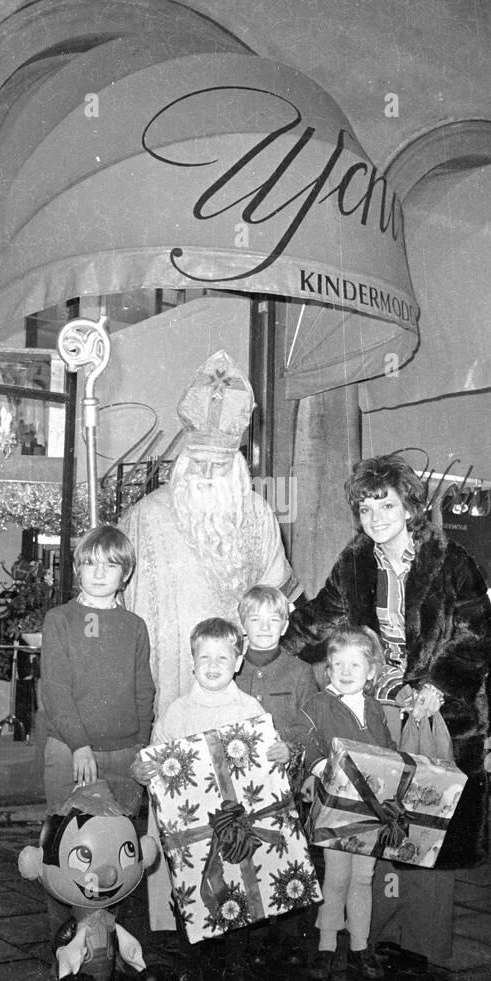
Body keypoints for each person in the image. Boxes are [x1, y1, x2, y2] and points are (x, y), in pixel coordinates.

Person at [283, 454, 491, 964]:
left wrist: (439, 685)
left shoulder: (451, 561)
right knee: (379, 824)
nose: (375, 517)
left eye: (386, 504)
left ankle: (423, 946)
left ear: (410, 507)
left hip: (437, 711)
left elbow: (477, 631)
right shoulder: (355, 563)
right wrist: (261, 641)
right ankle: (377, 938)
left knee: (429, 822)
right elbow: (319, 621)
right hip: (378, 710)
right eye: (364, 507)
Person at [120, 349, 303, 930]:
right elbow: (118, 607)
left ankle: (242, 918)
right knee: (175, 808)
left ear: (239, 466)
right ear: (181, 460)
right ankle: (170, 925)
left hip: (238, 695)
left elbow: (278, 601)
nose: (206, 472)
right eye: (196, 460)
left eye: (219, 464)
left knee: (234, 812)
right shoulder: (146, 517)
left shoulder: (256, 517)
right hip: (172, 686)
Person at [133, 617, 266, 981]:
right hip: (189, 826)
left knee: (240, 887)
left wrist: (277, 754)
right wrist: (142, 770)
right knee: (191, 892)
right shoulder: (178, 711)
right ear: (192, 662)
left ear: (238, 661)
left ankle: (236, 963)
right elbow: (153, 758)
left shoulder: (250, 707)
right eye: (204, 657)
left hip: (235, 822)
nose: (212, 665)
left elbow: (263, 762)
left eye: (222, 657)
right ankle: (193, 967)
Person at [40, 524, 155, 817]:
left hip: (124, 755)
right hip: (70, 751)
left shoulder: (134, 626)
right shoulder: (60, 620)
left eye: (111, 564)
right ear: (78, 569)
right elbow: (55, 691)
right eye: (91, 563)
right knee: (69, 847)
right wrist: (79, 746)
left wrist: (141, 748)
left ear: (125, 573)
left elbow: (143, 691)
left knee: (120, 851)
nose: (100, 573)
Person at [299, 627, 394, 981]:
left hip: (369, 809)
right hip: (335, 806)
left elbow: (386, 751)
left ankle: (359, 946)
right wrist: (320, 765)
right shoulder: (319, 705)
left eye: (355, 665)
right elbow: (306, 742)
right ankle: (326, 947)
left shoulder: (375, 707)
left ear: (371, 671)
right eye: (338, 664)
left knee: (363, 877)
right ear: (328, 668)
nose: (346, 671)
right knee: (337, 876)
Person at [236, 583, 319, 964]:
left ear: (286, 625)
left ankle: (287, 939)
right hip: (239, 785)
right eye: (256, 619)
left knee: (286, 856)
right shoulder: (232, 667)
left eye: (274, 619)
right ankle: (251, 938)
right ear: (243, 624)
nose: (265, 626)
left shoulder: (300, 672)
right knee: (247, 856)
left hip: (283, 783)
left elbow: (309, 724)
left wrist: (292, 747)